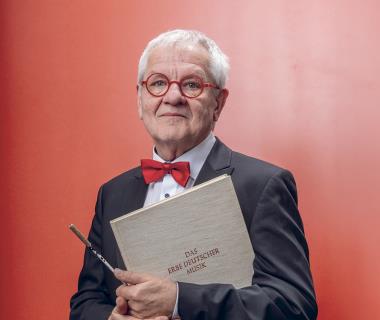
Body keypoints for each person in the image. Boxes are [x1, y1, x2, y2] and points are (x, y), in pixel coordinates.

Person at [70, 29, 317, 320]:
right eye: (158, 83)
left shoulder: (263, 185)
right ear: (140, 99)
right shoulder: (112, 194)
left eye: (191, 84)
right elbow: (85, 302)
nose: (172, 97)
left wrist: (178, 300)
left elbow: (293, 305)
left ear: (218, 104)